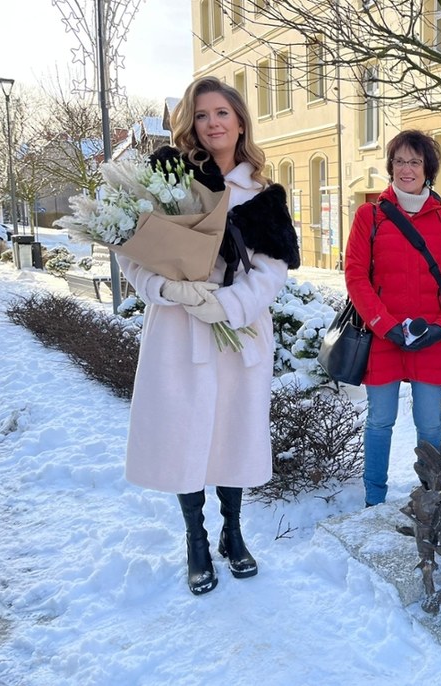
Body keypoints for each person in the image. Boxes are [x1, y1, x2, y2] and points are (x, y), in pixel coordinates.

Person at [118, 76, 300, 595]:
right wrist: (168, 291)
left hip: (238, 334)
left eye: (222, 113)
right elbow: (131, 251)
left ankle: (233, 533)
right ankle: (195, 540)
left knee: (231, 433)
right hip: (177, 332)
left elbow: (271, 270)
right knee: (186, 434)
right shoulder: (168, 179)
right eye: (202, 115)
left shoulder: (263, 195)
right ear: (190, 123)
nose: (213, 123)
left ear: (240, 120)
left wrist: (226, 304)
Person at [344, 130, 441, 507]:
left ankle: (431, 496)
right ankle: (374, 499)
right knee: (380, 420)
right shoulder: (371, 216)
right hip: (385, 336)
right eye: (400, 161)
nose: (407, 168)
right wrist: (384, 325)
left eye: (415, 161)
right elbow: (355, 275)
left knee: (429, 424)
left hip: (430, 337)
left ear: (427, 169)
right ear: (391, 167)